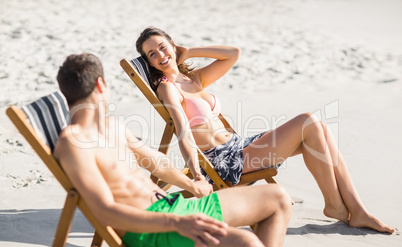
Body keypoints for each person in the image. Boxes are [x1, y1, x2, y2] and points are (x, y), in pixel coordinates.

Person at [135, 26, 394, 234]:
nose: (160, 55)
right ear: (149, 63)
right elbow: (183, 133)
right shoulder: (168, 88)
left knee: (320, 128)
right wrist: (197, 175)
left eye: (162, 47)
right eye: (152, 54)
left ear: (173, 45)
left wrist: (189, 52)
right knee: (308, 121)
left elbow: (233, 53)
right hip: (224, 160)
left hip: (239, 145)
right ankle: (338, 207)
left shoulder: (194, 79)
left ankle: (353, 208)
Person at [53, 52, 292, 247]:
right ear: (100, 85)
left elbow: (155, 161)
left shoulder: (112, 126)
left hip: (176, 209)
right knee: (247, 243)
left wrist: (191, 183)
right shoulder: (73, 142)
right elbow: (106, 212)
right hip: (149, 235)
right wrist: (176, 222)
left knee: (278, 198)